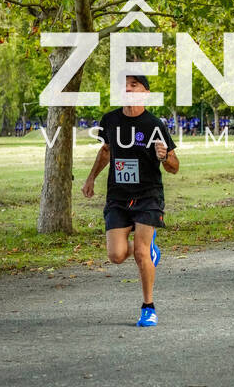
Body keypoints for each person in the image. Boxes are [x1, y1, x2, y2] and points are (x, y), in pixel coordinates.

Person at [82, 75, 179, 326]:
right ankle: (147, 247)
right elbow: (106, 151)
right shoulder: (110, 120)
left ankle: (148, 307)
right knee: (116, 255)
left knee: (140, 253)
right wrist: (91, 178)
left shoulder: (155, 125)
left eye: (134, 85)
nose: (127, 88)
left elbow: (174, 167)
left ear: (145, 92)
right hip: (118, 196)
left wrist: (164, 156)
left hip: (148, 195)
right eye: (124, 85)